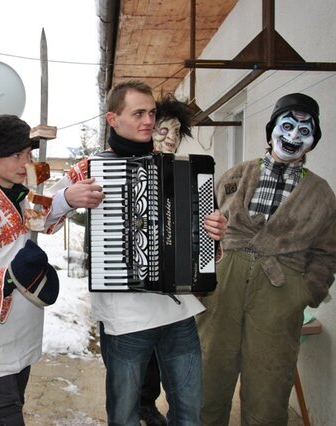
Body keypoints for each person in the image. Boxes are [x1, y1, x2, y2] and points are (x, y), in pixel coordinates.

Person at [50, 80, 227, 426]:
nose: (149, 121)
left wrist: (214, 235)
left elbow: (206, 241)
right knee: (124, 415)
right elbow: (39, 218)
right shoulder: (90, 167)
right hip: (125, 320)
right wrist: (66, 199)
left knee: (189, 413)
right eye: (139, 113)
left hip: (178, 313)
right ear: (113, 119)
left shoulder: (179, 165)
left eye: (152, 113)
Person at [0, 114, 103, 426]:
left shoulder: (22, 197)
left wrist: (70, 195)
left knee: (13, 406)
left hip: (23, 330)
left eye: (28, 154)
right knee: (7, 415)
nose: (25, 162)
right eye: (16, 155)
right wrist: (9, 275)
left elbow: (44, 218)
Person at [197, 93, 336, 425]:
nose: (293, 137)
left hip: (279, 294)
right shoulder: (235, 176)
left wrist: (303, 295)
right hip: (223, 290)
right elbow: (204, 229)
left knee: (268, 393)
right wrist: (204, 277)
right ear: (271, 130)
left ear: (312, 142)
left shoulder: (321, 195)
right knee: (207, 379)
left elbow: (328, 254)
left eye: (304, 131)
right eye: (286, 126)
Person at [139, 93, 195, 426]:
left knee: (171, 353)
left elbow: (203, 223)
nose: (170, 138)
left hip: (177, 286)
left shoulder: (190, 173)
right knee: (140, 355)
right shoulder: (130, 168)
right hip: (137, 283)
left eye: (176, 132)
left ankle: (168, 406)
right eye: (164, 129)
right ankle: (143, 404)